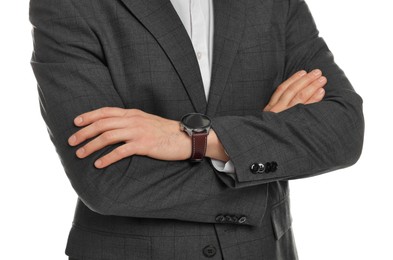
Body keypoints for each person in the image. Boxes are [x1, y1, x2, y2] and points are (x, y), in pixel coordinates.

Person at [29, 0, 364, 259]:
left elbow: (343, 131)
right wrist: (256, 155)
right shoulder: (69, 5)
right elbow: (108, 182)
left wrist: (194, 140)